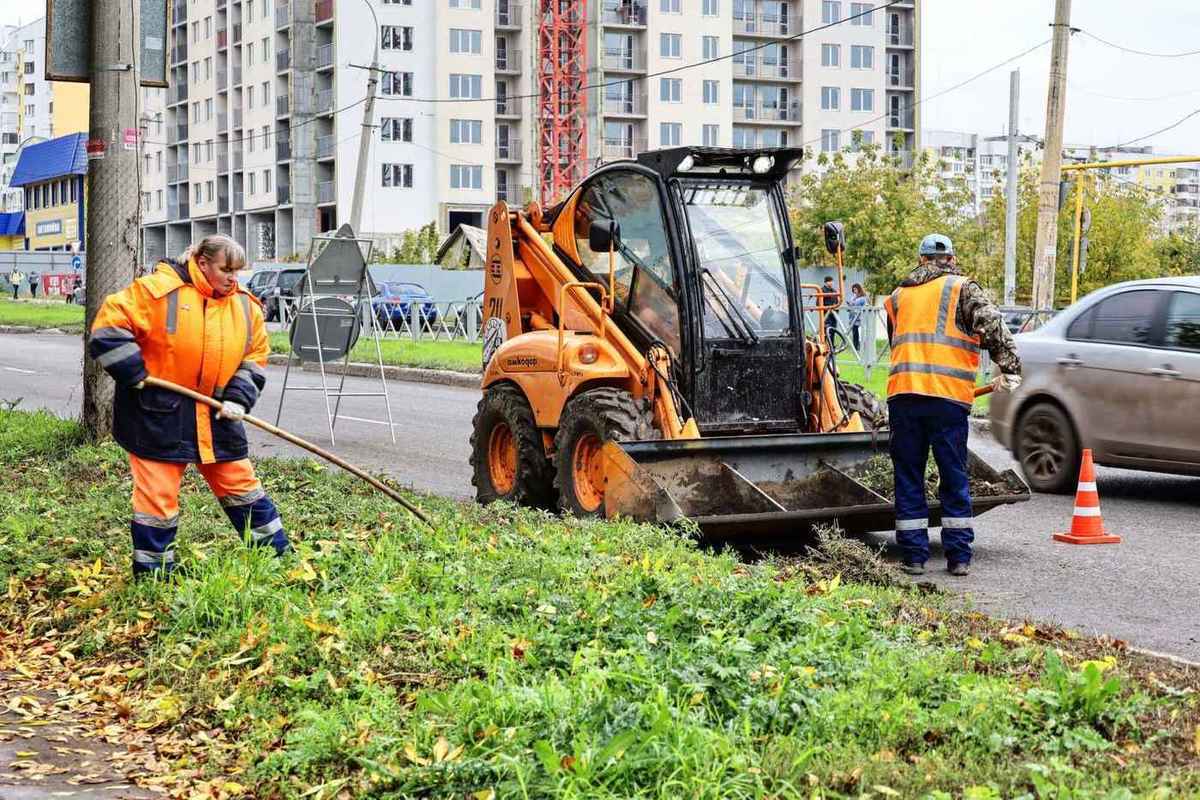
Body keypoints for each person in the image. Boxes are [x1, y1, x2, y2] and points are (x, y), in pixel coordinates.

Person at [88, 235, 290, 578]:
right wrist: (134, 373)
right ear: (201, 262)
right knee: (157, 500)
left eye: (238, 271)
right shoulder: (156, 291)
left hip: (216, 415)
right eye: (225, 269)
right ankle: (155, 578)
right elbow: (107, 329)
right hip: (156, 414)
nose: (232, 278)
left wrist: (239, 398)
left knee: (242, 486)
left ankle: (277, 560)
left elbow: (255, 357)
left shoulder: (245, 306)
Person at [883, 234, 1021, 577]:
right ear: (951, 259)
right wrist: (1010, 366)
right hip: (947, 398)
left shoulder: (897, 296)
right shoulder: (962, 288)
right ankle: (958, 556)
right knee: (953, 474)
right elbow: (992, 324)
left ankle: (914, 556)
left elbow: (896, 342)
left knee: (908, 475)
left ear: (920, 259)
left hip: (904, 396)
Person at [847, 283, 869, 351]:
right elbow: (851, 306)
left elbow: (866, 306)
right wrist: (850, 305)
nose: (854, 291)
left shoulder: (863, 298)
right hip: (852, 318)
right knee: (855, 334)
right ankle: (855, 348)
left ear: (859, 289)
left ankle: (863, 347)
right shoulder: (853, 297)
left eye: (855, 289)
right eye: (853, 290)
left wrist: (854, 304)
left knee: (862, 334)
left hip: (860, 319)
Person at [821, 275, 840, 345]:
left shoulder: (834, 290)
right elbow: (818, 303)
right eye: (829, 281)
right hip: (826, 314)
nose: (831, 283)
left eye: (832, 281)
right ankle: (824, 345)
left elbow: (837, 301)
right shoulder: (822, 290)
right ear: (826, 282)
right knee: (826, 331)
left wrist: (836, 308)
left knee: (833, 331)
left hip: (833, 314)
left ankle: (832, 347)